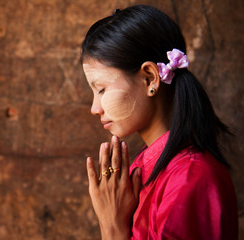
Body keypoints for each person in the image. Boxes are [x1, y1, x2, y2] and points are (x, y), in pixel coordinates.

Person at [81, 5, 238, 240]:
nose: (95, 108)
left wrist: (112, 228)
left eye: (102, 90)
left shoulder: (189, 179)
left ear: (150, 78)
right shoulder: (148, 165)